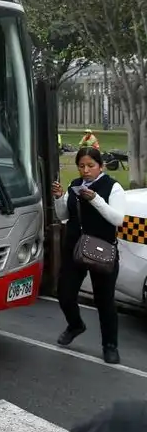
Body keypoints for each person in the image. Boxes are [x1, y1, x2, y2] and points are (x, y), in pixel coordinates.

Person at [52, 147, 125, 365]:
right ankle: (75, 325)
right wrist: (59, 198)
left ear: (100, 166)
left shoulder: (113, 187)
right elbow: (64, 215)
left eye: (90, 166)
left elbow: (118, 219)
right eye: (81, 166)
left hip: (102, 250)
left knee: (105, 301)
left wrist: (95, 199)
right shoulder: (74, 185)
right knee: (64, 294)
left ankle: (110, 346)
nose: (86, 171)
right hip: (75, 248)